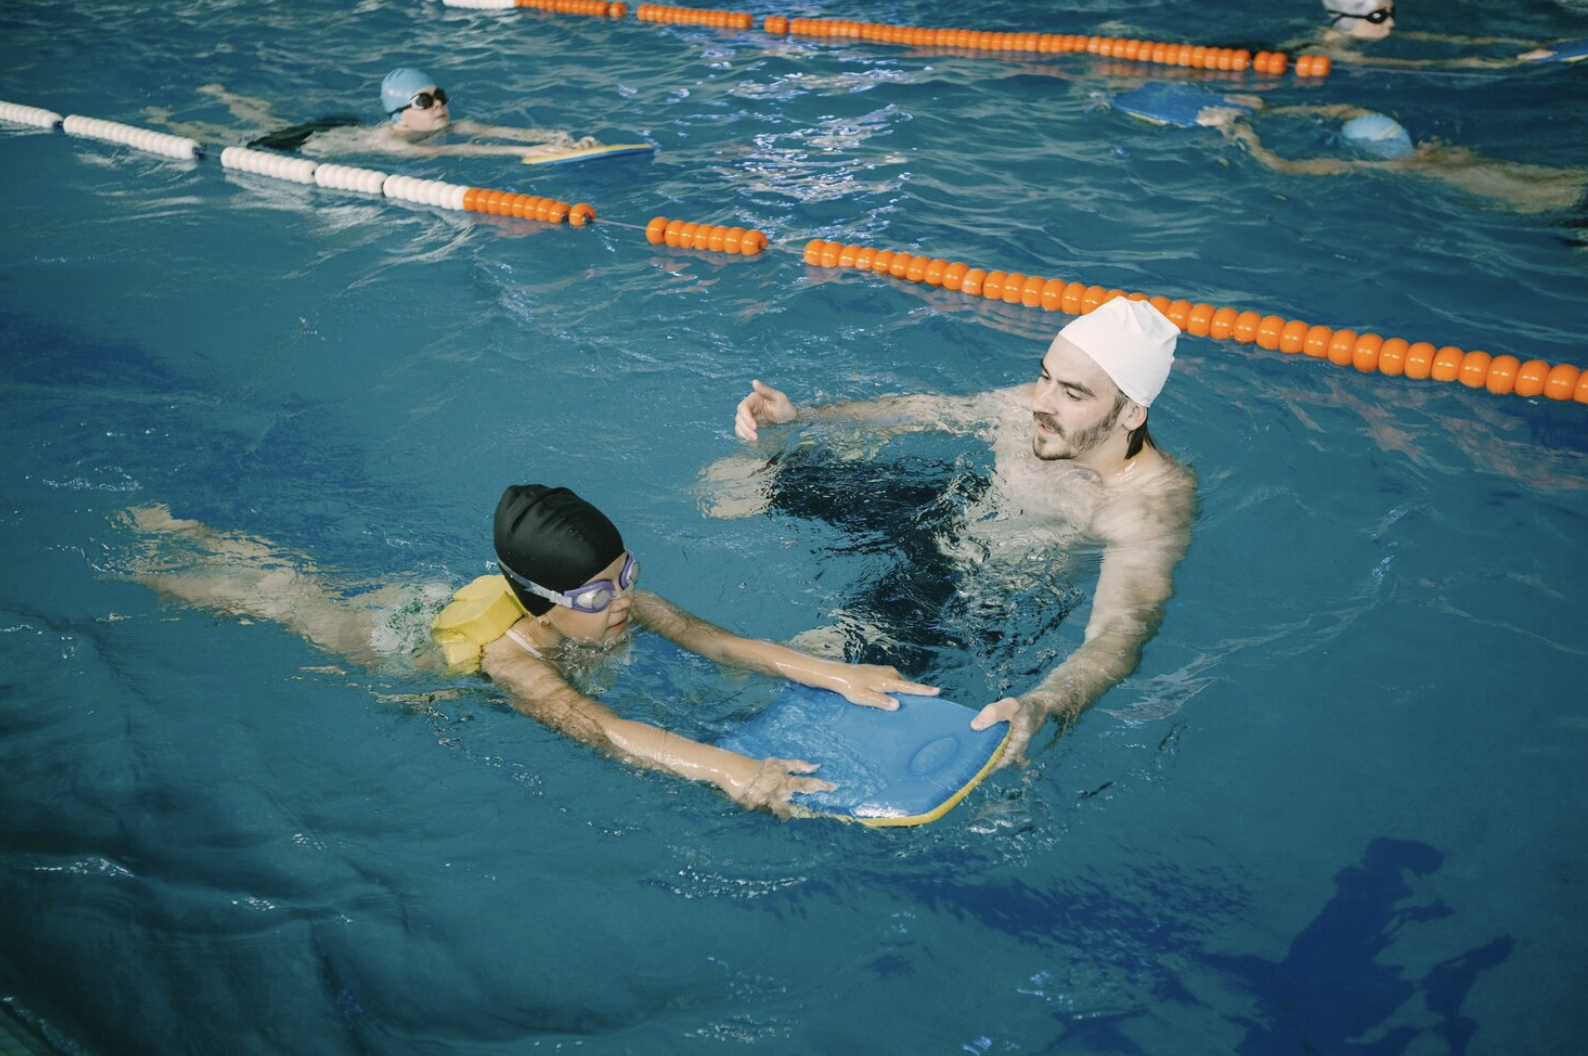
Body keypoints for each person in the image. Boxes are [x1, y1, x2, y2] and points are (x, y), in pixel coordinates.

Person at [120, 487, 937, 817]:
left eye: (625, 577)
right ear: (543, 601)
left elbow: (716, 640)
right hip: (396, 646)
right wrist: (727, 769)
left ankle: (194, 535)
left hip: (464, 599)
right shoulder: (512, 664)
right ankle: (168, 551)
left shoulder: (616, 602)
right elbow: (600, 727)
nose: (624, 601)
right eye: (598, 596)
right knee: (292, 602)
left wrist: (838, 673)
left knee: (306, 584)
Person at [722, 297, 1197, 767]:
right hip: (950, 507)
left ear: (1131, 413)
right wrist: (804, 416)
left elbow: (1119, 633)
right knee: (734, 484)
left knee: (801, 669)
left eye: (1073, 394)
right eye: (1044, 376)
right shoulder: (1035, 406)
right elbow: (920, 410)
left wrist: (1043, 703)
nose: (1042, 403)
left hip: (972, 589)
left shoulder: (1145, 507)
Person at [1196, 99, 1588, 214]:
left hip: (1560, 207)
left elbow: (1283, 167)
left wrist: (1240, 129)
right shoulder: (1441, 150)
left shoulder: (1385, 167)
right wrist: (1268, 109)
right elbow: (1351, 110)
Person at [193, 67, 598, 160]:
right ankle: (183, 120)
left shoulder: (447, 123)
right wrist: (526, 153)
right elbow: (456, 151)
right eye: (424, 102)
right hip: (309, 145)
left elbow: (491, 130)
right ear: (400, 115)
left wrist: (556, 139)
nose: (438, 105)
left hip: (344, 126)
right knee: (245, 136)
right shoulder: (393, 141)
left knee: (267, 117)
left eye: (439, 96)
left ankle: (225, 95)